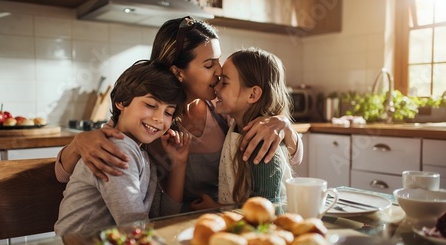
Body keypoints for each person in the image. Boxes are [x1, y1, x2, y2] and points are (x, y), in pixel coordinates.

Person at [55, 16, 303, 212]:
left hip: (229, 221)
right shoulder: (147, 121)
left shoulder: (223, 111)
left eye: (218, 61)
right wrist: (78, 144)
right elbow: (62, 175)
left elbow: (295, 157)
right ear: (178, 72)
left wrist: (284, 126)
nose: (219, 72)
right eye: (209, 65)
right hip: (174, 227)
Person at [54, 60, 190, 235]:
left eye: (168, 112)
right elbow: (135, 227)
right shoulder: (118, 148)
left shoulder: (142, 153)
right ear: (121, 102)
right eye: (150, 105)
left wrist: (179, 164)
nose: (159, 118)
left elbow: (162, 217)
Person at [206, 48, 294, 208]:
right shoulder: (236, 124)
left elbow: (263, 211)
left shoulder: (262, 141)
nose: (216, 88)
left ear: (252, 95)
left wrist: (214, 208)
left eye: (224, 82)